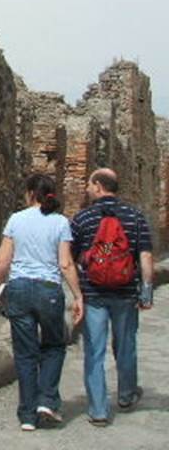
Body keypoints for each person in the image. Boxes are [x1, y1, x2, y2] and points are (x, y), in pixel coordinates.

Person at [0, 173, 84, 431]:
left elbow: (1, 261)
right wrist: (78, 295)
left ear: (31, 193)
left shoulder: (16, 219)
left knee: (25, 353)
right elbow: (65, 263)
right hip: (49, 290)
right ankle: (46, 400)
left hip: (19, 288)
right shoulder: (60, 222)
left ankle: (27, 415)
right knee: (55, 345)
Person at [70, 167, 155, 427]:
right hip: (126, 293)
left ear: (98, 186)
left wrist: (76, 295)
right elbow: (146, 257)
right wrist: (146, 291)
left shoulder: (82, 218)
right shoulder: (135, 217)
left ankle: (98, 410)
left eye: (89, 184)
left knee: (94, 351)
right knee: (126, 345)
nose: (86, 188)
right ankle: (127, 395)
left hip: (93, 294)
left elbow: (70, 259)